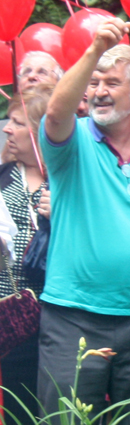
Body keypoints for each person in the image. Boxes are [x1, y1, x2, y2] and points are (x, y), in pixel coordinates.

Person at [38, 19, 130, 424]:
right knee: (64, 419)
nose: (99, 91)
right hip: (73, 316)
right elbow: (55, 111)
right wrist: (94, 50)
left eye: (112, 82)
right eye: (94, 82)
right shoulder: (73, 142)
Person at [0, 86, 52, 425]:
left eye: (18, 123)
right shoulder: (3, 177)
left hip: (55, 313)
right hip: (8, 311)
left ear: (39, 132)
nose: (6, 128)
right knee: (14, 404)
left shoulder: (67, 182)